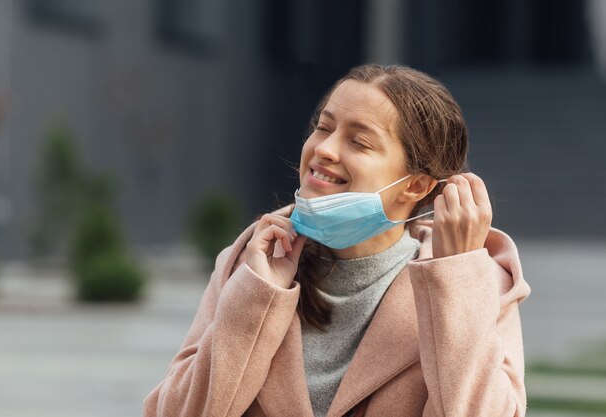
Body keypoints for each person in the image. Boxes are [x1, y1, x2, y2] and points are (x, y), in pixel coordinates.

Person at [143, 64, 530, 417]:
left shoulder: (479, 287)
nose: (324, 149)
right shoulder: (248, 265)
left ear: (415, 186)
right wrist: (257, 299)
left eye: (359, 142)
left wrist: (456, 276)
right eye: (324, 128)